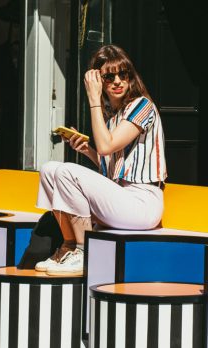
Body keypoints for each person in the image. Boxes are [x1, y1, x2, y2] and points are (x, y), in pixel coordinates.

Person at [36, 44, 166, 276]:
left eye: (123, 74)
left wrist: (93, 98)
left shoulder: (143, 106)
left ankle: (84, 251)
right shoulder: (113, 119)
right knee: (50, 168)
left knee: (66, 171)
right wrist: (87, 151)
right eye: (108, 77)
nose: (117, 81)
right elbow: (111, 169)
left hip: (143, 203)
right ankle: (68, 246)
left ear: (130, 77)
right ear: (99, 80)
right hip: (121, 198)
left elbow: (106, 145)